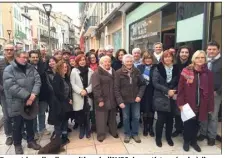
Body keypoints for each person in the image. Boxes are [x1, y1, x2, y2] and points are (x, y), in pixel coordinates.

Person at [3, 50, 42, 154]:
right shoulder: (9, 69)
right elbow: (11, 86)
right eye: (23, 57)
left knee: (30, 123)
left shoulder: (31, 68)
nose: (25, 59)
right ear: (16, 57)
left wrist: (33, 95)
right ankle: (17, 144)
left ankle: (31, 141)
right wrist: (28, 96)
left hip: (30, 102)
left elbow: (38, 81)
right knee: (17, 125)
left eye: (26, 57)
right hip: (16, 103)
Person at [177, 50, 214, 152]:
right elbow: (180, 89)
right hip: (188, 103)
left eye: (202, 57)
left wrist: (210, 107)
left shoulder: (208, 73)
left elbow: (210, 91)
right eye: (197, 57)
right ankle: (186, 141)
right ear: (194, 59)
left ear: (205, 59)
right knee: (188, 124)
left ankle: (194, 141)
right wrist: (180, 103)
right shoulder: (186, 71)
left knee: (197, 124)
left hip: (202, 104)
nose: (200, 59)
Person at [114, 54, 146, 143]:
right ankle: (127, 134)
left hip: (136, 99)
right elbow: (116, 88)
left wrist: (139, 96)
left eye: (130, 61)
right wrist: (119, 101)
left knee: (136, 117)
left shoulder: (137, 71)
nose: (129, 63)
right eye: (127, 61)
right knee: (126, 118)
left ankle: (135, 133)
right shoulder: (118, 72)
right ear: (123, 62)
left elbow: (143, 84)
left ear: (133, 62)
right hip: (124, 100)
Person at [152, 50, 179, 147]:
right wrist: (167, 90)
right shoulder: (157, 68)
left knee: (170, 119)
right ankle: (158, 138)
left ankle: (168, 137)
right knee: (160, 119)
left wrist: (174, 91)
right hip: (160, 97)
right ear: (163, 58)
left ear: (172, 57)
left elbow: (178, 82)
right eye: (165, 57)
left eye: (169, 56)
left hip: (172, 97)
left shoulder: (176, 68)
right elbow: (155, 83)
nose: (167, 58)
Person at [198, 41, 222, 146]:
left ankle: (211, 136)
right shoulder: (204, 61)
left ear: (218, 50)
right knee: (203, 113)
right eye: (209, 49)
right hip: (203, 93)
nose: (211, 51)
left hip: (216, 94)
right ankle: (203, 133)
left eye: (214, 49)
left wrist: (218, 91)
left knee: (213, 115)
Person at [92, 56, 118, 142]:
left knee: (112, 117)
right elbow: (96, 88)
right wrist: (100, 100)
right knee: (101, 119)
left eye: (109, 62)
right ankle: (101, 135)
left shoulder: (113, 71)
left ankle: (113, 131)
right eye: (105, 62)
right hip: (102, 100)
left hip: (112, 98)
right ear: (101, 63)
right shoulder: (96, 73)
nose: (107, 63)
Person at [29, 50, 51, 140]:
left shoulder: (43, 66)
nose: (35, 59)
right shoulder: (26, 67)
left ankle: (42, 128)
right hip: (32, 94)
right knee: (33, 114)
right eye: (33, 57)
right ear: (29, 58)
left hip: (43, 94)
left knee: (41, 113)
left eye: (36, 57)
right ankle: (34, 131)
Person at [70, 54, 94, 139]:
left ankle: (88, 129)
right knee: (80, 113)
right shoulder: (74, 71)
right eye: (80, 60)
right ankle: (82, 128)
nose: (82, 61)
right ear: (77, 61)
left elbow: (92, 83)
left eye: (84, 59)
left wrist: (86, 90)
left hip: (87, 95)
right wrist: (81, 91)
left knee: (87, 113)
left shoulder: (90, 70)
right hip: (78, 95)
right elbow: (72, 84)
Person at [172, 45, 192, 137]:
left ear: (189, 54)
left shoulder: (192, 65)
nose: (184, 54)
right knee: (177, 112)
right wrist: (175, 91)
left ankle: (186, 129)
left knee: (188, 111)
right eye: (182, 52)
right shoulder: (174, 65)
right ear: (179, 53)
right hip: (177, 91)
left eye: (186, 52)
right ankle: (178, 129)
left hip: (189, 92)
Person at [52, 60, 73, 145]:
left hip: (65, 103)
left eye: (66, 67)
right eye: (63, 67)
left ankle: (64, 136)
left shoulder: (65, 77)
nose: (65, 69)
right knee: (59, 121)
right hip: (59, 104)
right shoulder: (57, 77)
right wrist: (67, 99)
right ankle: (58, 138)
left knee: (65, 120)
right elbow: (57, 92)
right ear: (59, 68)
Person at [137, 52, 156, 137]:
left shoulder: (156, 67)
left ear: (152, 59)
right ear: (143, 59)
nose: (148, 60)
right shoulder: (139, 67)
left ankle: (151, 127)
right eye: (146, 58)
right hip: (143, 91)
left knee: (151, 110)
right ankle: (145, 127)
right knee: (145, 110)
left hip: (153, 91)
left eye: (150, 58)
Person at [0, 43, 15, 145]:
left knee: (18, 114)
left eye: (11, 49)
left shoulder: (18, 62)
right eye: (7, 50)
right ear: (4, 51)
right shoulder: (0, 63)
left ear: (14, 51)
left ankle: (19, 132)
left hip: (17, 93)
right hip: (4, 94)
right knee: (7, 116)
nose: (9, 51)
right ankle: (9, 135)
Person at [111, 48, 127, 129]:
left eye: (122, 54)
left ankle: (127, 121)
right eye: (119, 55)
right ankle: (121, 121)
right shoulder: (114, 64)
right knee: (120, 106)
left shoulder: (128, 63)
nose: (121, 56)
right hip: (118, 88)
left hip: (127, 88)